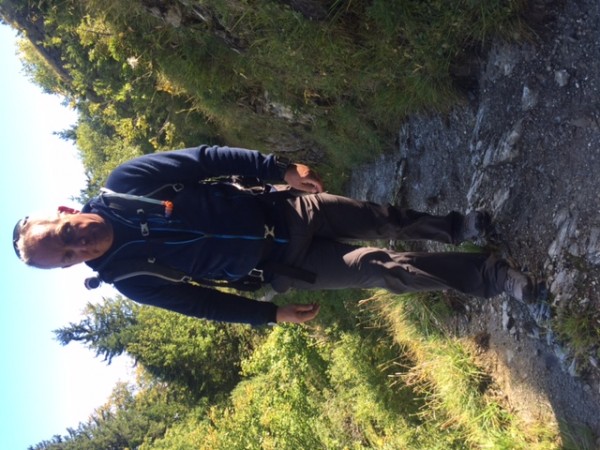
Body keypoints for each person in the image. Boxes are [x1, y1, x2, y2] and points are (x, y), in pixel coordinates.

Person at [12, 145, 543, 326]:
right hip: (285, 269)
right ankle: (491, 275)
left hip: (288, 209)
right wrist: (271, 315)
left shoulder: (127, 183)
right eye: (67, 257)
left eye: (66, 233)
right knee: (384, 270)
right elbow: (204, 305)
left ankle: (455, 227)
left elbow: (206, 160)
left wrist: (279, 169)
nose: (78, 246)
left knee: (382, 217)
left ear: (65, 210)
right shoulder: (130, 279)